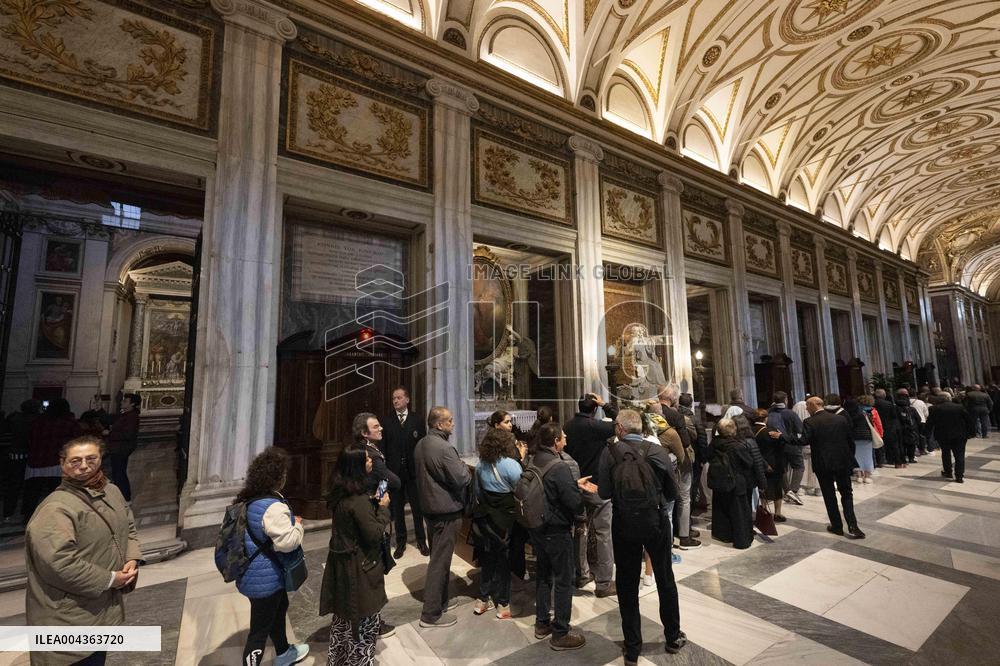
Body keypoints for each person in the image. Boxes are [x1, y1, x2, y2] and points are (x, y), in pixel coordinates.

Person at [25, 435, 142, 666]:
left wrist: (132, 557)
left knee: (96, 657)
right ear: (62, 464)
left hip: (100, 606)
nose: (84, 466)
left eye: (91, 458)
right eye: (75, 461)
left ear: (101, 459)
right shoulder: (56, 508)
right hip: (67, 613)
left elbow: (128, 526)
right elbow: (58, 563)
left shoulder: (112, 491)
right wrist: (110, 579)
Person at [597, 409, 685, 665]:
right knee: (665, 577)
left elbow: (603, 492)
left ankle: (632, 647)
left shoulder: (610, 452)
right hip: (655, 520)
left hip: (624, 522)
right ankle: (672, 637)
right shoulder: (656, 451)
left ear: (620, 429)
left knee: (626, 582)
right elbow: (672, 491)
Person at [234, 447, 308, 666]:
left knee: (278, 609)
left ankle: (284, 652)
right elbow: (287, 542)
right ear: (277, 478)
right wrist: (298, 526)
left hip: (255, 572)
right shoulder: (272, 507)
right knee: (258, 631)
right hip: (264, 578)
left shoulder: (251, 499)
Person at [321, 446, 392, 665]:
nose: (371, 462)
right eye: (367, 460)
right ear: (357, 466)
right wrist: (383, 509)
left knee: (343, 618)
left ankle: (339, 659)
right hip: (359, 569)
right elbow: (374, 534)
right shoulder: (357, 500)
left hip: (343, 564)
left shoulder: (341, 492)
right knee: (363, 621)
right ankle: (360, 661)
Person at [530, 422, 596, 650]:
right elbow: (573, 503)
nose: (566, 440)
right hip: (556, 529)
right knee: (564, 580)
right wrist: (578, 495)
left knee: (543, 575)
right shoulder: (559, 466)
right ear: (556, 441)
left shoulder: (534, 458)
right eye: (563, 437)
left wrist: (572, 484)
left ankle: (541, 623)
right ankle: (560, 632)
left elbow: (548, 489)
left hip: (537, 526)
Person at [415, 406, 470, 628]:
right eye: (450, 421)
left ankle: (441, 599)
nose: (453, 424)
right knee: (440, 560)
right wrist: (464, 467)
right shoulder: (444, 448)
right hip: (445, 511)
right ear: (439, 424)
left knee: (439, 557)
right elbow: (461, 478)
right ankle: (431, 614)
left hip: (430, 508)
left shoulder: (422, 443)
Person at [562, 393, 617, 595]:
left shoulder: (568, 426)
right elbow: (621, 423)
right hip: (596, 486)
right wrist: (606, 405)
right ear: (594, 409)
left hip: (577, 484)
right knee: (603, 532)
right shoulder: (596, 426)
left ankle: (582, 574)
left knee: (580, 529)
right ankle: (603, 582)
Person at [472, 426, 522, 619]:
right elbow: (521, 491)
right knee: (503, 560)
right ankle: (503, 603)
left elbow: (477, 493)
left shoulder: (480, 465)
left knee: (488, 558)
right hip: (505, 518)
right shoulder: (510, 464)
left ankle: (482, 599)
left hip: (486, 517)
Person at [803, 396, 865, 539]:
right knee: (847, 494)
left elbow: (803, 440)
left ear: (813, 405)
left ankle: (837, 526)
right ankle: (853, 526)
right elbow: (851, 441)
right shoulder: (841, 419)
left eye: (807, 405)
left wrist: (781, 437)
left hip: (823, 464)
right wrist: (849, 458)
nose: (806, 408)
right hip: (842, 462)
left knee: (829, 495)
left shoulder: (810, 422)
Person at [380, 387, 428, 558]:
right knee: (397, 509)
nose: (395, 401)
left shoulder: (417, 419)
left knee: (417, 508)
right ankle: (401, 542)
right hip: (394, 473)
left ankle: (421, 540)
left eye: (399, 398)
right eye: (394, 398)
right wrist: (385, 472)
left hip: (413, 471)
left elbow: (422, 445)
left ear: (407, 400)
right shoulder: (386, 421)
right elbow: (383, 448)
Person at [24, 398, 83, 524]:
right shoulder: (69, 423)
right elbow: (77, 440)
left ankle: (28, 516)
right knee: (56, 491)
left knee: (33, 490)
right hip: (57, 461)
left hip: (37, 459)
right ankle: (56, 516)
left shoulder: (38, 422)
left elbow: (29, 437)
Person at [708, 418, 756, 549]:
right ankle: (741, 540)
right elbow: (749, 462)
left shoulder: (714, 443)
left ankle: (724, 535)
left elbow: (707, 456)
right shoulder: (737, 446)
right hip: (736, 482)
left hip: (719, 481)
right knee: (739, 512)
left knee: (721, 509)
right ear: (733, 429)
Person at [3, 399, 40, 523]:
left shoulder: (14, 418)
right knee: (30, 486)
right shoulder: (36, 421)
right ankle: (26, 513)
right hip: (31, 456)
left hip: (14, 454)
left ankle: (7, 512)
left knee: (13, 485)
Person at [766, 392, 805, 506]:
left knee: (782, 468)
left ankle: (787, 490)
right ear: (786, 400)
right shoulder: (790, 413)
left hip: (776, 445)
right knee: (799, 466)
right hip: (791, 444)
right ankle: (793, 490)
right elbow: (800, 430)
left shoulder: (769, 413)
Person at [926, 396, 975, 483]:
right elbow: (969, 420)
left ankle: (948, 472)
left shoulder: (934, 409)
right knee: (959, 455)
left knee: (945, 453)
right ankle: (959, 476)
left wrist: (926, 433)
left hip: (943, 435)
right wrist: (971, 433)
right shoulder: (959, 407)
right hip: (959, 435)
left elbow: (930, 422)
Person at [103, 393, 140, 502]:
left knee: (119, 473)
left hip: (121, 448)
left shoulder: (132, 417)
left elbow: (128, 434)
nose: (121, 402)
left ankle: (124, 497)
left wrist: (109, 433)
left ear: (132, 404)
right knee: (117, 472)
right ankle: (121, 496)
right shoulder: (125, 415)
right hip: (118, 447)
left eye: (125, 401)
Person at [352, 413, 400, 497]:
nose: (381, 428)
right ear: (364, 433)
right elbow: (394, 482)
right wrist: (379, 496)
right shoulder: (371, 456)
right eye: (376, 427)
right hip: (370, 504)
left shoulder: (356, 447)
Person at [753, 409, 788, 521]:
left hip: (757, 463)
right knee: (777, 488)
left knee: (762, 488)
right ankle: (777, 513)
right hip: (773, 463)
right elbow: (781, 446)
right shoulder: (770, 431)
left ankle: (764, 511)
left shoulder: (749, 431)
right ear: (765, 418)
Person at [845, 396, 882, 484]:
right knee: (868, 457)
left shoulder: (849, 414)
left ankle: (859, 475)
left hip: (855, 437)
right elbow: (871, 425)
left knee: (857, 457)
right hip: (866, 437)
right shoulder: (866, 413)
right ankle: (867, 476)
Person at [874, 389, 903, 467]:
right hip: (889, 426)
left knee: (878, 444)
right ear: (884, 395)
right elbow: (894, 416)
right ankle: (897, 462)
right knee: (894, 445)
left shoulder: (873, 404)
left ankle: (880, 462)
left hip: (877, 427)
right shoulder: (889, 404)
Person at [894, 389, 922, 464]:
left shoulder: (895, 408)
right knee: (911, 444)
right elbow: (918, 419)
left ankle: (903, 459)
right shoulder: (911, 409)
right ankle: (911, 458)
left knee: (901, 444)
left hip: (900, 429)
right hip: (911, 428)